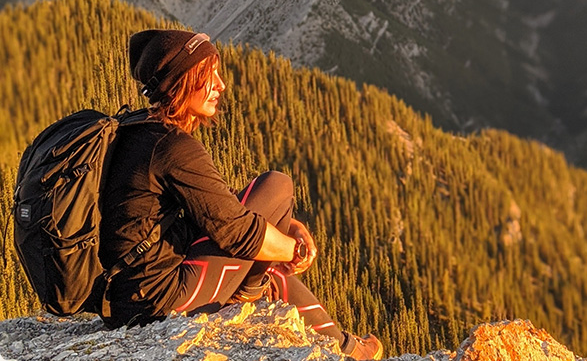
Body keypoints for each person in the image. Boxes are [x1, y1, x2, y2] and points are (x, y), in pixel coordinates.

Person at [98, 29, 383, 360]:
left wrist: (289, 228)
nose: (221, 85)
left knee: (270, 263)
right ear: (180, 81)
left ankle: (349, 348)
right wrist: (294, 249)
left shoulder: (141, 131)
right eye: (208, 75)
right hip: (158, 299)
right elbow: (236, 230)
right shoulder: (173, 147)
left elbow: (215, 206)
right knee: (277, 186)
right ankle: (332, 341)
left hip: (129, 292)